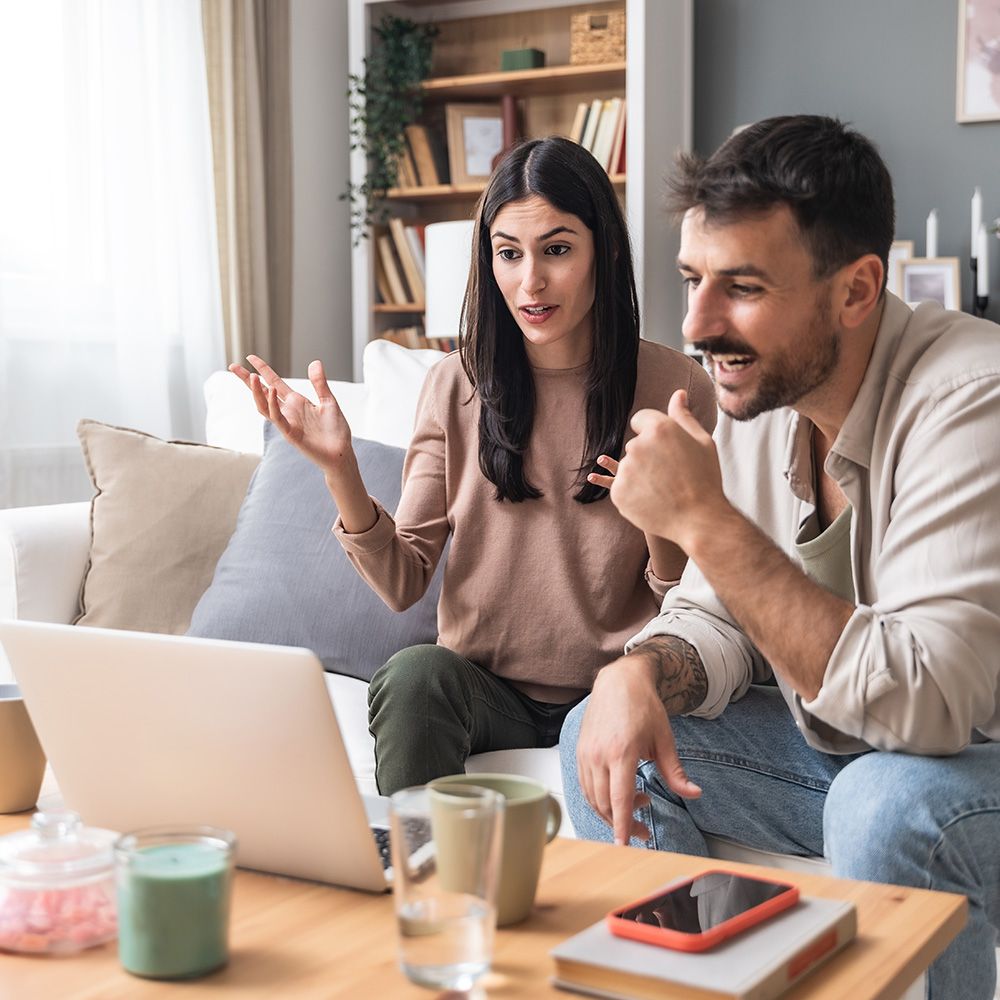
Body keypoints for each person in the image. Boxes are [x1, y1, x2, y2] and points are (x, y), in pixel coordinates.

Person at [560, 114, 1000, 1000]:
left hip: (971, 758)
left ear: (857, 288)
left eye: (743, 287)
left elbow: (928, 705)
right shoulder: (766, 396)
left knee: (882, 804)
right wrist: (639, 671)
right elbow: (715, 616)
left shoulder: (971, 399)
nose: (698, 324)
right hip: (855, 748)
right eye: (691, 281)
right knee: (602, 733)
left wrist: (704, 519)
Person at [230, 135, 716, 796]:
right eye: (509, 254)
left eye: (558, 250)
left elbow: (693, 606)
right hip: (488, 691)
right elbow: (405, 581)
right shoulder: (454, 386)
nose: (531, 282)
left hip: (621, 682)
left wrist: (656, 520)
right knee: (413, 674)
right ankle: (420, 882)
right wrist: (341, 469)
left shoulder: (675, 385)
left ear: (603, 249)